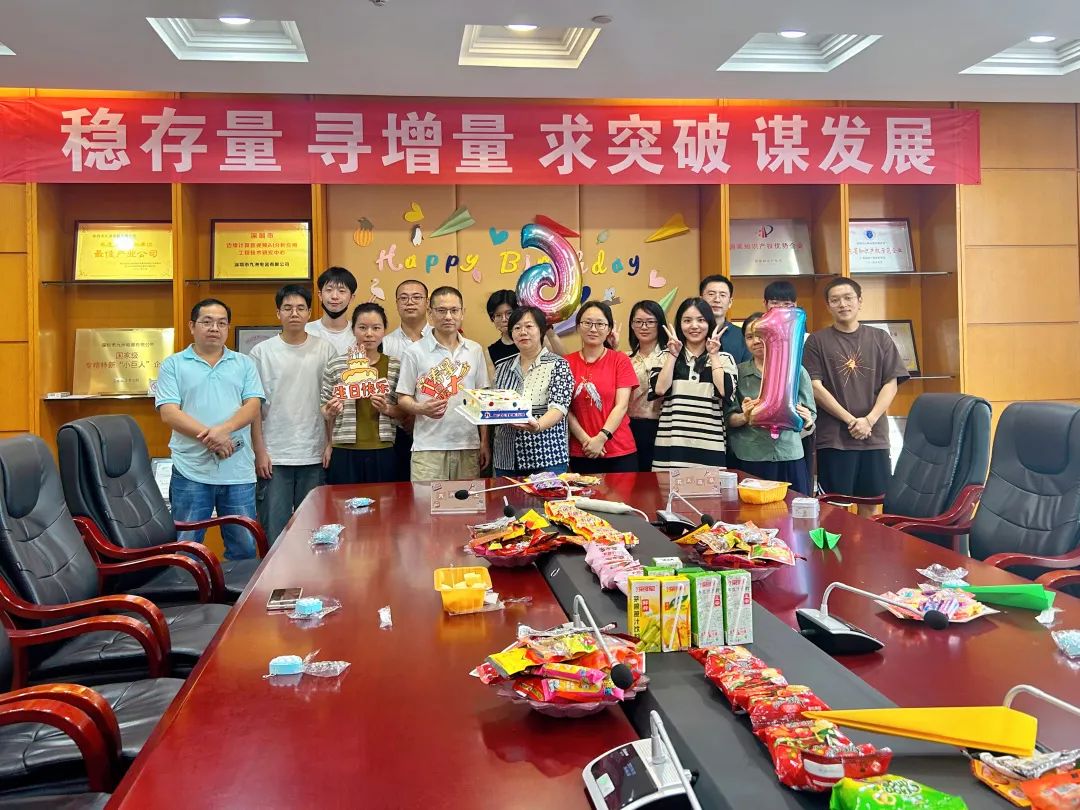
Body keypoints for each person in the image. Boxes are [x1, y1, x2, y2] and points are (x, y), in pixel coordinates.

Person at [155, 299, 264, 561]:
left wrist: (223, 431)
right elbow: (169, 412)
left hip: (238, 471)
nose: (214, 328)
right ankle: (188, 589)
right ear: (192, 326)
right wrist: (212, 437)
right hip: (191, 471)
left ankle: (238, 591)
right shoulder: (173, 364)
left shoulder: (244, 363)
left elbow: (253, 406)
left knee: (245, 547)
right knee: (186, 547)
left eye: (221, 323)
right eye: (207, 321)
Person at [804, 278, 909, 516]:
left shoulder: (880, 338)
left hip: (874, 437)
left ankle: (866, 543)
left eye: (848, 298)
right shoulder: (817, 341)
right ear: (828, 306)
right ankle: (837, 544)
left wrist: (869, 420)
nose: (843, 304)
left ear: (860, 301)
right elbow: (815, 387)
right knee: (834, 506)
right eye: (835, 300)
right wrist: (851, 420)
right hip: (835, 439)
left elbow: (891, 383)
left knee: (871, 503)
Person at [249, 285, 336, 544]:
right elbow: (253, 407)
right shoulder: (261, 352)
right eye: (287, 308)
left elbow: (332, 402)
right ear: (278, 313)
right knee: (274, 530)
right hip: (275, 455)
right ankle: (273, 572)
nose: (294, 313)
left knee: (314, 529)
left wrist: (330, 443)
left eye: (300, 308)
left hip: (314, 453)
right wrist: (260, 451)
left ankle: (309, 572)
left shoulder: (325, 349)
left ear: (309, 312)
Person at [396, 286, 490, 481]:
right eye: (441, 310)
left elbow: (482, 399)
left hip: (467, 446)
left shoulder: (474, 350)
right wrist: (421, 408)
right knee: (425, 501)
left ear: (462, 313)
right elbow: (403, 398)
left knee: (467, 500)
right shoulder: (414, 352)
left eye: (454, 310)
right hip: (428, 449)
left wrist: (484, 442)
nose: (448, 316)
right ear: (430, 313)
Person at [725, 312, 816, 493]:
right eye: (749, 337)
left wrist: (807, 420)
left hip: (789, 454)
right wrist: (745, 416)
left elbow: (811, 417)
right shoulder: (737, 373)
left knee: (792, 507)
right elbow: (728, 419)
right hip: (751, 455)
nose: (756, 341)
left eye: (760, 335)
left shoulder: (795, 371)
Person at [651, 297, 738, 470]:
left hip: (710, 446)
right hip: (671, 445)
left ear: (710, 323)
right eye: (687, 321)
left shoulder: (724, 359)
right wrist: (673, 355)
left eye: (701, 320)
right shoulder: (664, 356)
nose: (694, 326)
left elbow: (724, 391)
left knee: (709, 489)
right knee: (666, 488)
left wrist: (714, 355)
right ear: (679, 324)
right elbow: (660, 389)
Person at [320, 303, 401, 484]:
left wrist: (386, 409)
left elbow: (403, 411)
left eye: (376, 328)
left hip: (383, 447)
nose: (369, 334)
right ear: (353, 329)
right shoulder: (336, 365)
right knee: (345, 501)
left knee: (384, 500)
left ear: (384, 330)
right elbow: (324, 409)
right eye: (362, 327)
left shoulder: (395, 365)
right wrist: (330, 411)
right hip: (344, 448)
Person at [491, 307, 574, 477]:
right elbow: (495, 404)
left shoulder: (558, 365)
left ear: (541, 330)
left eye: (529, 326)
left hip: (547, 457)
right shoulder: (502, 367)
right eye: (517, 328)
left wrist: (538, 425)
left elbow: (559, 408)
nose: (523, 332)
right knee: (507, 496)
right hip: (506, 458)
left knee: (547, 496)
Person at [565, 301, 639, 474]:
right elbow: (565, 409)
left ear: (609, 329)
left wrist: (601, 438)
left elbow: (622, 405)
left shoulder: (620, 360)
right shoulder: (566, 363)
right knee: (584, 493)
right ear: (578, 327)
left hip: (619, 449)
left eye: (600, 324)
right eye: (587, 323)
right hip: (582, 450)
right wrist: (586, 440)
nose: (593, 329)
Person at [382, 279, 433, 481]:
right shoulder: (385, 343)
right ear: (396, 303)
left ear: (427, 303)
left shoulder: (441, 339)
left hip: (432, 428)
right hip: (395, 430)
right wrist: (405, 414)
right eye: (403, 298)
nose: (409, 302)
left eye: (416, 297)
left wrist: (417, 413)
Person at [626, 300, 668, 472]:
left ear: (660, 324)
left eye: (650, 322)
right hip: (630, 427)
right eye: (638, 322)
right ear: (632, 325)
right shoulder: (625, 358)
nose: (644, 327)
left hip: (663, 427)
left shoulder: (670, 357)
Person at [305, 266, 358, 355]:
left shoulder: (359, 333)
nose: (334, 296)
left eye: (341, 291)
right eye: (329, 290)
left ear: (351, 298)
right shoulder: (305, 331)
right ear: (320, 295)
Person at [699, 274, 750, 363]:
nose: (717, 300)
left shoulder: (742, 336)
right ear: (701, 300)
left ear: (730, 302)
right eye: (711, 294)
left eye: (722, 295)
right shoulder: (692, 332)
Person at [485, 289, 520, 375]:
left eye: (509, 313)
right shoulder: (491, 352)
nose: (504, 319)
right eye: (498, 315)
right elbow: (493, 381)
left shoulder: (531, 339)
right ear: (493, 318)